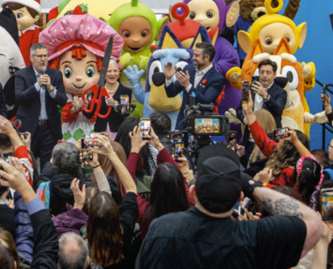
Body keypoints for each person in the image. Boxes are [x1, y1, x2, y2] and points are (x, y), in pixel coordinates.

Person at [136, 145, 323, 269]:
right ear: (239, 198)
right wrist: (253, 187)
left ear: (193, 192)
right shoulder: (256, 237)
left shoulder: (162, 229)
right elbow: (314, 222)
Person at [87, 134, 141, 269]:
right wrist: (111, 154)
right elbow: (131, 188)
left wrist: (97, 166)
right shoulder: (125, 230)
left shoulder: (85, 241)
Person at [15, 43, 67, 166]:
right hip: (29, 127)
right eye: (39, 56)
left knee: (48, 164)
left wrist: (51, 88)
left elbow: (63, 100)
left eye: (45, 56)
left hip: (49, 127)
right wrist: (37, 86)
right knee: (27, 162)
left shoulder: (56, 74)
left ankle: (45, 179)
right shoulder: (22, 75)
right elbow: (19, 98)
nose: (43, 59)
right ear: (31, 58)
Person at [164, 42, 225, 129]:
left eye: (197, 55)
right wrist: (168, 79)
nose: (193, 58)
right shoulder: (188, 69)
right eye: (194, 55)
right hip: (183, 123)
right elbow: (171, 93)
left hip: (202, 126)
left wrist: (188, 86)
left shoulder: (217, 78)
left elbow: (206, 100)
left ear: (207, 58)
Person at [236, 59, 287, 153]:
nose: (264, 75)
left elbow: (278, 110)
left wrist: (266, 96)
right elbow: (239, 110)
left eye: (268, 72)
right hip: (250, 139)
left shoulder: (281, 92)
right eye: (262, 72)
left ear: (274, 75)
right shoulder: (248, 89)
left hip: (270, 140)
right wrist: (244, 118)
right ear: (258, 73)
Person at [36, 143, 84, 217]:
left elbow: (44, 177)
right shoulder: (86, 189)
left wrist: (51, 163)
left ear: (54, 165)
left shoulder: (44, 188)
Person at [94, 60, 132, 138]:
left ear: (119, 72)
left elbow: (125, 112)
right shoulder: (97, 91)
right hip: (100, 132)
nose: (112, 74)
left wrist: (116, 105)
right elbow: (90, 113)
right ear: (104, 73)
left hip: (118, 132)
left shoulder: (125, 91)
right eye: (109, 71)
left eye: (115, 71)